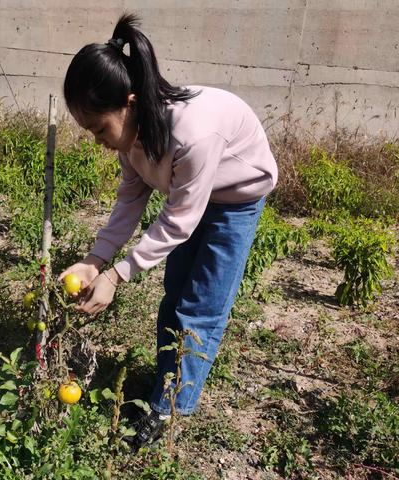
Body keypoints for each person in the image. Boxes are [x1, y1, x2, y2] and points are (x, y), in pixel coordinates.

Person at [59, 13, 278, 449]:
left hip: (236, 198)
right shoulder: (132, 138)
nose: (97, 140)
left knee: (200, 307)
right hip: (195, 196)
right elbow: (130, 202)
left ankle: (169, 408)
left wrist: (117, 276)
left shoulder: (192, 135)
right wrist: (94, 260)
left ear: (131, 102)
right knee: (175, 294)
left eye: (100, 128)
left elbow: (178, 219)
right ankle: (165, 382)